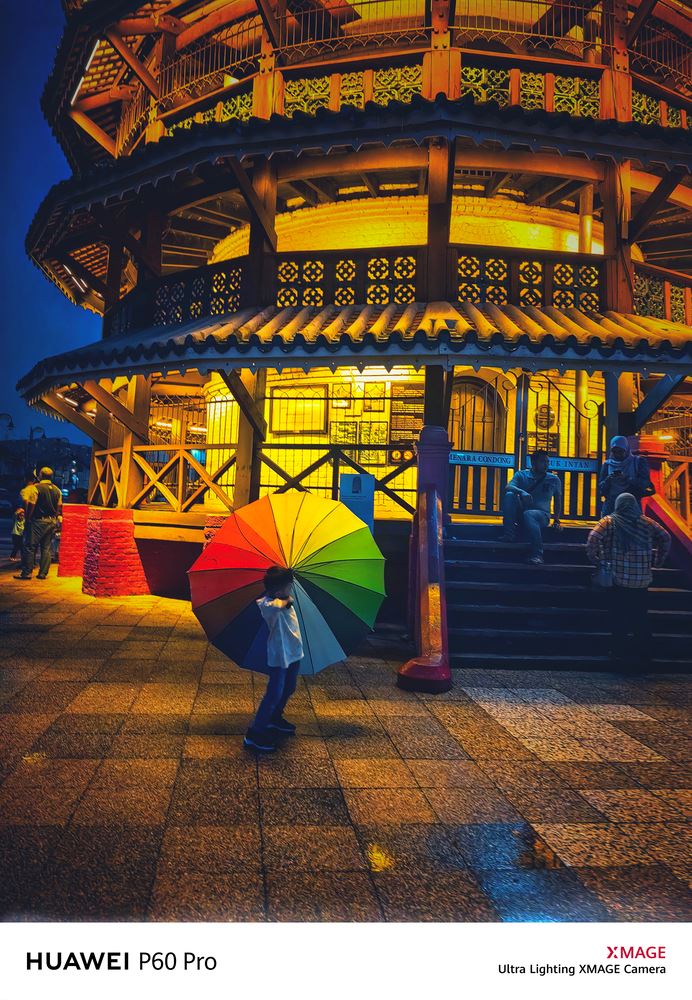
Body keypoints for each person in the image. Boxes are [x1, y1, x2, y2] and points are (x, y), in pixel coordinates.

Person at [586, 492, 671, 673]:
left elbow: (593, 538)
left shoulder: (610, 522)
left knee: (619, 616)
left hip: (618, 579)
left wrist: (597, 558)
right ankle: (645, 652)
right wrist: (658, 560)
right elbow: (665, 537)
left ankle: (618, 651)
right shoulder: (647, 523)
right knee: (640, 617)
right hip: (642, 580)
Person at [244, 566, 304, 753]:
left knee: (289, 687)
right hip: (279, 655)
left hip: (294, 653)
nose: (291, 589)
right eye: (289, 585)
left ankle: (274, 717)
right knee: (274, 693)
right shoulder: (267, 605)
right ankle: (254, 733)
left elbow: (286, 600)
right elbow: (276, 605)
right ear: (278, 590)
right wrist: (283, 599)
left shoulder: (286, 599)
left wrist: (286, 597)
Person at [500, 449, 563, 564]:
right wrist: (521, 492)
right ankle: (509, 534)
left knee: (529, 514)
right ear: (533, 463)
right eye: (543, 462)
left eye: (547, 462)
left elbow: (558, 501)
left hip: (541, 516)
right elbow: (508, 487)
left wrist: (557, 520)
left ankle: (537, 554)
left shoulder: (554, 479)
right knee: (510, 495)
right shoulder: (521, 475)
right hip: (522, 514)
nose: (546, 465)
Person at [14, 467, 63, 581]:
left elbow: (32, 504)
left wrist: (28, 518)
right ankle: (43, 573)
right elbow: (59, 507)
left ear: (41, 475)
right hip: (51, 521)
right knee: (46, 548)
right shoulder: (57, 490)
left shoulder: (36, 488)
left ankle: (27, 573)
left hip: (37, 521)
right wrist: (55, 517)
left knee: (30, 546)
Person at [598, 435, 653, 516]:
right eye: (614, 452)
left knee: (630, 528)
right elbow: (601, 488)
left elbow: (644, 484)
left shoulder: (638, 462)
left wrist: (627, 478)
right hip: (611, 506)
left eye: (620, 451)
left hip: (631, 505)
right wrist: (609, 479)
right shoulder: (607, 464)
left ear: (626, 450)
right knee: (609, 528)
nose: (617, 455)